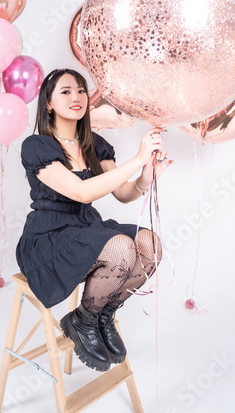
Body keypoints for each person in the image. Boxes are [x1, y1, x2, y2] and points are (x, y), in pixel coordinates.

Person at [16, 68, 172, 373]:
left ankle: (100, 313)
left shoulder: (94, 143)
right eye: (65, 91)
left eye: (81, 90)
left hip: (87, 228)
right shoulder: (37, 146)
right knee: (122, 248)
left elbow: (123, 193)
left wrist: (146, 177)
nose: (76, 97)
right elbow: (82, 192)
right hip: (49, 237)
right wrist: (137, 159)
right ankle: (83, 321)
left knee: (149, 244)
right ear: (48, 103)